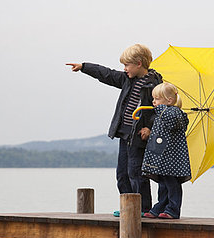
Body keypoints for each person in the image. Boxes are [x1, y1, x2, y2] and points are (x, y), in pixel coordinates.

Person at [66, 44, 162, 215]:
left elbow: (159, 111)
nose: (124, 69)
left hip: (139, 136)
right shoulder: (127, 79)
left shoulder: (154, 85)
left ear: (139, 64)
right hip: (124, 134)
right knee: (122, 174)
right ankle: (128, 206)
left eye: (127, 65)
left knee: (136, 172)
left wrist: (149, 127)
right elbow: (107, 74)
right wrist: (84, 67)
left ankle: (143, 208)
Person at [142, 82, 191, 219]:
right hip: (162, 157)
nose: (153, 102)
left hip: (171, 158)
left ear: (169, 100)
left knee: (171, 183)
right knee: (163, 183)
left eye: (157, 98)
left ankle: (173, 209)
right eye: (153, 98)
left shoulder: (174, 112)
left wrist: (160, 109)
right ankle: (160, 207)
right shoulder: (161, 113)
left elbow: (172, 121)